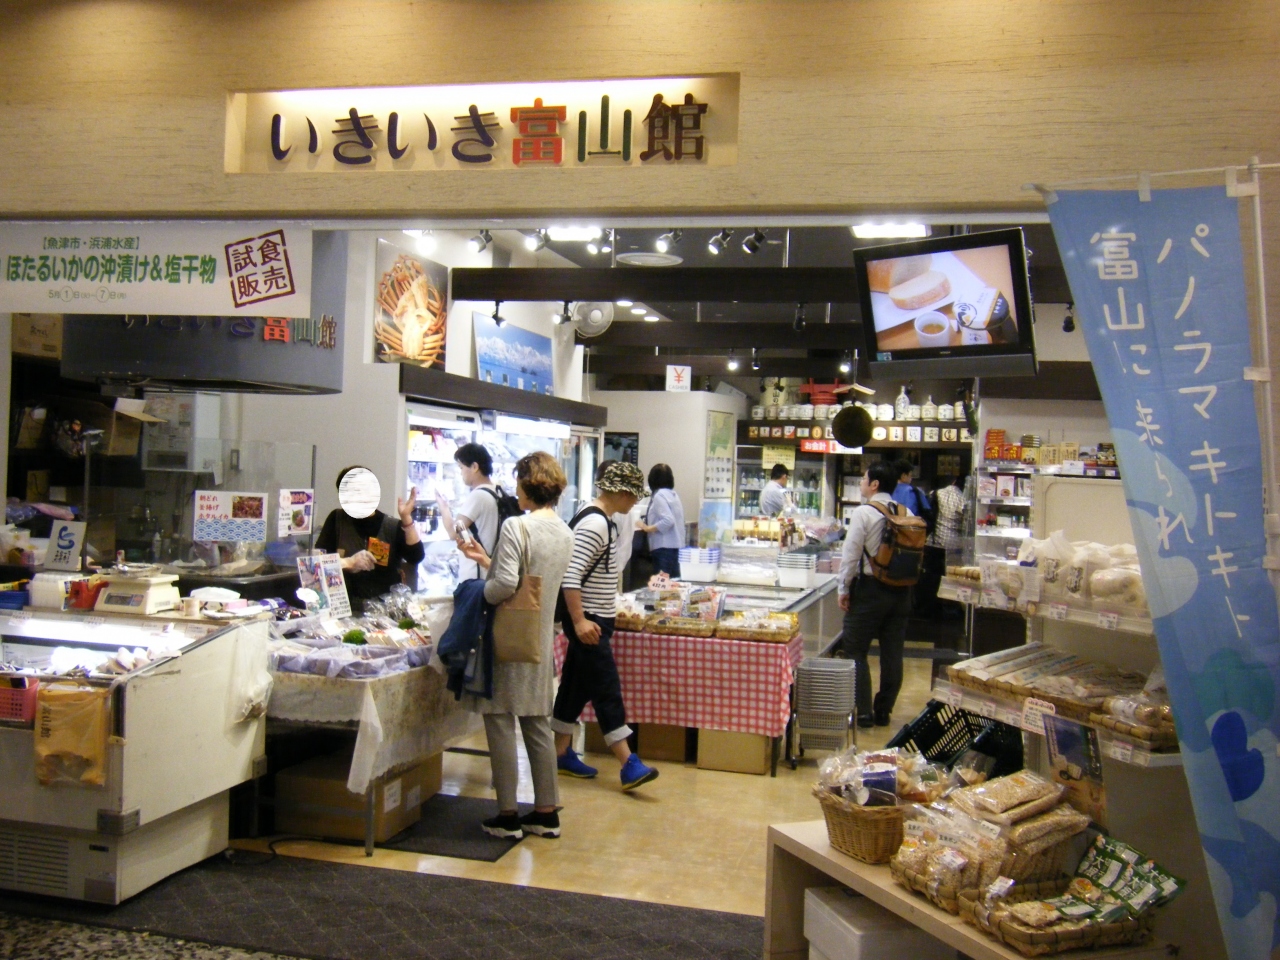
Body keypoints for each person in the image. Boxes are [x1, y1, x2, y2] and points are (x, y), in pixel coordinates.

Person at [457, 451, 574, 840]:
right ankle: (546, 813)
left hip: (506, 638)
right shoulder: (564, 531)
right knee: (537, 723)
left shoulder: (516, 526)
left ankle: (507, 814)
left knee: (499, 720)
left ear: (527, 484)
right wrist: (487, 561)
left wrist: (479, 592)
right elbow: (530, 580)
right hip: (539, 638)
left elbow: (506, 585)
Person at [553, 460, 659, 791]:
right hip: (590, 620)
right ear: (622, 493)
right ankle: (628, 762)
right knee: (606, 688)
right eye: (634, 495)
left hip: (594, 617)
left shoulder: (600, 519)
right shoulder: (596, 524)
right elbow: (570, 576)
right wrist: (580, 620)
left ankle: (560, 752)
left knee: (575, 686)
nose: (635, 502)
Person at [838, 459, 913, 728]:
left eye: (864, 478)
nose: (861, 482)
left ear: (874, 484)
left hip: (870, 591)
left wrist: (843, 587)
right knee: (892, 652)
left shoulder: (864, 512)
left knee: (855, 649)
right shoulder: (905, 511)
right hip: (902, 591)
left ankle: (863, 712)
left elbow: (851, 554)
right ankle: (884, 710)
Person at [315, 466, 423, 614]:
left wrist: (406, 519)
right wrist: (349, 562)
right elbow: (317, 563)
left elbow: (416, 556)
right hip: (344, 609)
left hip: (386, 612)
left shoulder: (391, 525)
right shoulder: (337, 519)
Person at [450, 442, 499, 581]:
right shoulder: (497, 491)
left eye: (461, 467)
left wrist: (443, 507)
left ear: (474, 467)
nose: (461, 473)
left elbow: (455, 531)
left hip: (476, 574)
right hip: (490, 571)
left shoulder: (478, 496)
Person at [635, 462, 685, 577]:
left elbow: (668, 520)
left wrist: (648, 528)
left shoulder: (659, 496)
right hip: (676, 547)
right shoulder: (674, 495)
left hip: (663, 548)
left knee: (662, 584)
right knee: (673, 583)